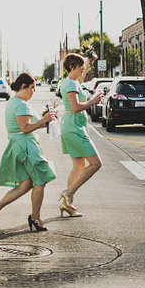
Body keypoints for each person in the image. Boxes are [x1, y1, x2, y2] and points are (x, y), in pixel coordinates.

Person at [0, 73, 57, 232]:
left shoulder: (13, 101)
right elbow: (25, 128)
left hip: (18, 144)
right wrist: (44, 121)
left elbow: (27, 126)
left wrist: (46, 122)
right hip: (26, 146)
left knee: (26, 184)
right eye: (32, 87)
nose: (33, 91)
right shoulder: (21, 104)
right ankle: (35, 218)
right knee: (40, 180)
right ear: (23, 86)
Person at [57, 53, 103, 217]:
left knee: (78, 165)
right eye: (81, 66)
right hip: (74, 127)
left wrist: (90, 61)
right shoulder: (70, 84)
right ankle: (68, 193)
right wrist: (94, 100)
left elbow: (83, 74)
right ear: (72, 67)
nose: (84, 69)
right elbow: (76, 107)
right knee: (96, 164)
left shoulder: (73, 82)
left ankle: (67, 204)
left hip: (73, 125)